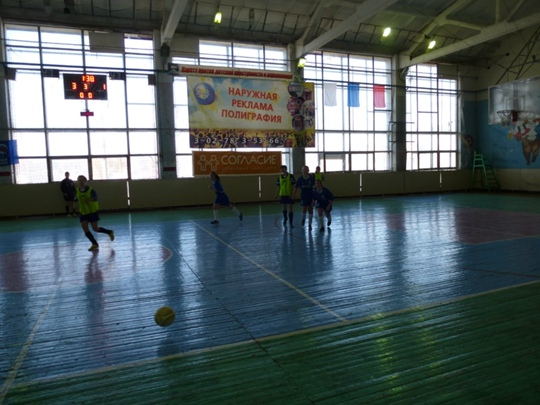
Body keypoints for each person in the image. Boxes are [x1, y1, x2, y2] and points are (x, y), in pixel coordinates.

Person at [75, 175, 115, 251]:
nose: (81, 181)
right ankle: (94, 244)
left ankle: (109, 232)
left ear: (85, 181)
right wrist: (73, 205)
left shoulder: (90, 190)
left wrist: (89, 199)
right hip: (83, 212)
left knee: (95, 229)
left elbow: (95, 198)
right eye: (79, 180)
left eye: (82, 180)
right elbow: (76, 198)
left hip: (92, 212)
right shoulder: (77, 190)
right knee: (85, 229)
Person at [293, 165, 315, 230]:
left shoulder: (311, 178)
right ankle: (303, 219)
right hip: (303, 196)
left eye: (306, 170)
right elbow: (296, 187)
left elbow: (316, 186)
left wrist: (316, 195)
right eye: (303, 170)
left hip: (310, 195)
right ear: (302, 171)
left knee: (310, 209)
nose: (304, 171)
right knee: (304, 209)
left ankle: (310, 224)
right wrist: (293, 194)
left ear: (308, 170)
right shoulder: (300, 179)